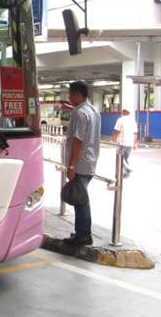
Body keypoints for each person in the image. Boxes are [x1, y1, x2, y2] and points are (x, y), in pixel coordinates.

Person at [63, 81, 101, 246]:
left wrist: (71, 166)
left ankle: (84, 235)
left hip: (80, 163)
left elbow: (78, 140)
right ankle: (81, 232)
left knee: (81, 201)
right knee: (81, 198)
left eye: (70, 95)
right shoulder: (93, 111)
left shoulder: (79, 113)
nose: (69, 98)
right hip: (90, 161)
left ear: (77, 95)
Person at [111, 109, 138, 177]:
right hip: (130, 143)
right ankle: (125, 173)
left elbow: (117, 131)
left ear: (123, 112)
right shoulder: (133, 121)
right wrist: (135, 143)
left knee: (119, 158)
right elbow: (135, 133)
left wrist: (113, 140)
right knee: (126, 158)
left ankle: (125, 169)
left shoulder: (120, 120)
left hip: (122, 143)